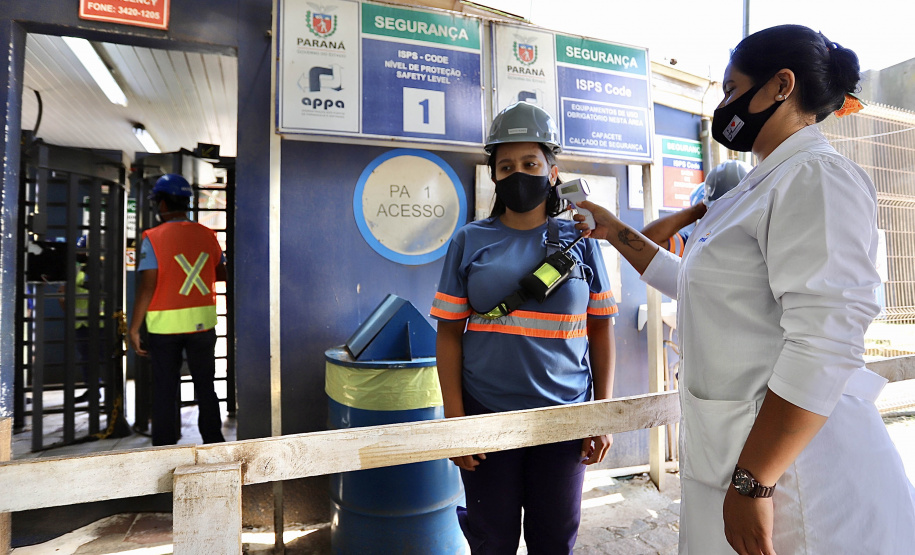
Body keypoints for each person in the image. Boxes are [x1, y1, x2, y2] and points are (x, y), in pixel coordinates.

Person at [573, 24, 915, 555]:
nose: (726, 105)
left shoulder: (815, 177)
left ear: (781, 85)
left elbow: (824, 342)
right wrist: (611, 228)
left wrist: (754, 480)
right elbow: (689, 282)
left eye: (733, 89)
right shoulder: (759, 186)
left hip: (799, 478)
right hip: (743, 460)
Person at [431, 101, 618, 554]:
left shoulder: (582, 239)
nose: (519, 173)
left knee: (554, 541)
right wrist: (456, 423)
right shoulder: (470, 240)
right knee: (491, 541)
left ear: (553, 171)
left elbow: (601, 329)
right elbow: (449, 334)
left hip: (564, 420)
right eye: (506, 165)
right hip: (486, 414)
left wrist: (601, 414)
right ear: (494, 174)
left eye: (531, 163)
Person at [128, 174, 227, 447]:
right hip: (203, 326)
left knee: (164, 390)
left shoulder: (152, 237)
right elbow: (222, 272)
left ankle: (164, 447)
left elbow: (147, 286)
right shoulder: (208, 235)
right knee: (206, 387)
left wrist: (134, 328)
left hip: (164, 330)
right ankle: (214, 442)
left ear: (161, 204)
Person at [641, 159, 751, 255]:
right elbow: (645, 243)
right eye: (719, 210)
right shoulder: (698, 243)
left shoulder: (760, 239)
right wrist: (698, 210)